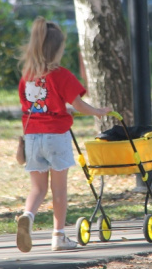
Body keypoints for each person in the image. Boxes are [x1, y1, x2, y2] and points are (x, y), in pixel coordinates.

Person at [16, 16, 111, 252]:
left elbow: (37, 105)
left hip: (32, 138)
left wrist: (59, 107)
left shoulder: (27, 76)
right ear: (57, 49)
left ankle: (27, 215)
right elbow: (78, 104)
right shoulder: (61, 75)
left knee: (38, 189)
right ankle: (58, 236)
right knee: (59, 190)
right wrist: (97, 111)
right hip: (56, 137)